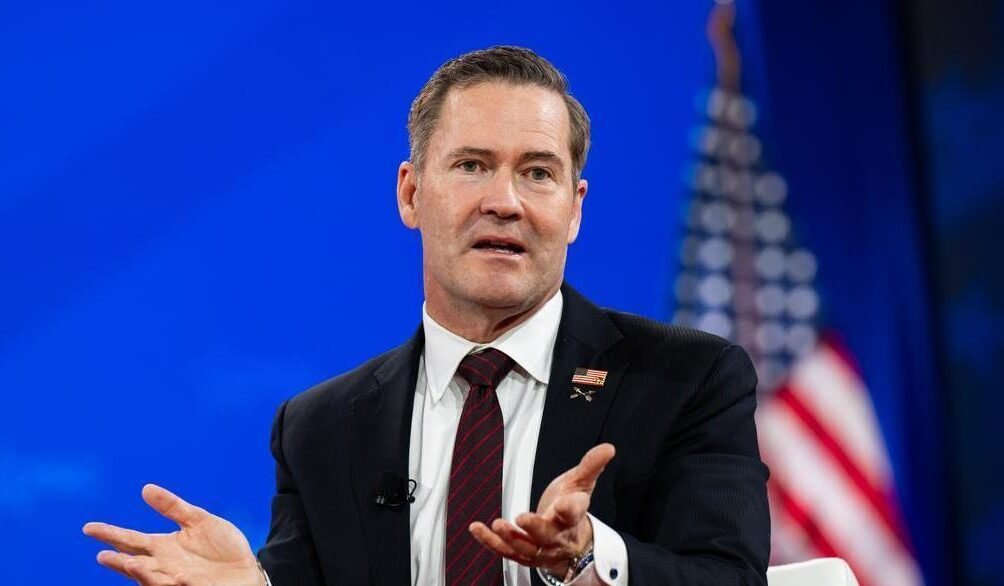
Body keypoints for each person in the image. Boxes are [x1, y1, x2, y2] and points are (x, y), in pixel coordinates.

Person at [84, 46, 769, 585]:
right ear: (411, 194)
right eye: (471, 165)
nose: (504, 201)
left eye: (537, 173)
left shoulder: (686, 379)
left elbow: (731, 578)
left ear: (574, 208)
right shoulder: (320, 428)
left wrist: (591, 557)